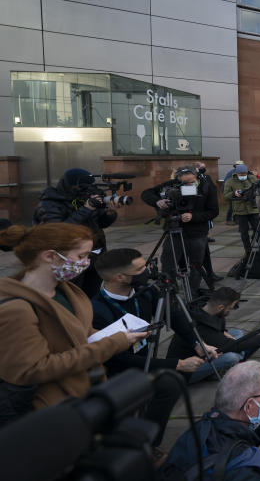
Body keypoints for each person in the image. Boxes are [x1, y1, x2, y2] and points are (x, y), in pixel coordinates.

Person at [0, 224, 147, 415]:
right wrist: (115, 342)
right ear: (50, 256)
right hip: (53, 410)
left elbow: (76, 334)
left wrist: (113, 335)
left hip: (83, 393)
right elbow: (33, 369)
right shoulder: (16, 308)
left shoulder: (66, 291)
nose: (86, 262)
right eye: (81, 256)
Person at [90, 248, 208, 443]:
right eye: (140, 269)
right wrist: (176, 364)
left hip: (146, 357)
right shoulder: (98, 310)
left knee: (177, 376)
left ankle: (149, 436)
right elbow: (116, 359)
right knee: (170, 383)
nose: (147, 272)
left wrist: (197, 343)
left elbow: (176, 317)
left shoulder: (145, 291)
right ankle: (146, 442)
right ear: (120, 277)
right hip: (118, 370)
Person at [34, 168, 120, 297]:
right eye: (84, 187)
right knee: (71, 296)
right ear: (72, 185)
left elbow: (101, 223)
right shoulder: (49, 203)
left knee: (93, 294)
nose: (87, 190)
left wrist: (110, 212)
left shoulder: (84, 197)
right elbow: (59, 231)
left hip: (94, 256)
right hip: (68, 259)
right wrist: (86, 209)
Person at [167, 286, 260, 383]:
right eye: (229, 308)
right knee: (232, 357)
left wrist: (227, 336)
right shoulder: (202, 327)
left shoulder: (205, 308)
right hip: (187, 371)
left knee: (237, 333)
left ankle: (235, 355)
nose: (230, 311)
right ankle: (212, 372)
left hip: (206, 350)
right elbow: (235, 345)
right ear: (220, 307)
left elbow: (221, 330)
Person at [141, 165, 220, 295]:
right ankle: (170, 292)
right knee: (168, 263)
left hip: (197, 232)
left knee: (196, 265)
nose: (188, 184)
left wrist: (193, 216)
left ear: (197, 176)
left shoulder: (207, 187)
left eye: (191, 181)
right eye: (184, 182)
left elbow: (213, 211)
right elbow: (146, 193)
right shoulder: (173, 185)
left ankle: (193, 293)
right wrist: (158, 201)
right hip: (174, 229)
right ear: (178, 179)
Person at [223, 164, 258, 256]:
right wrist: (234, 193)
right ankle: (248, 251)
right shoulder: (230, 181)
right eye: (240, 174)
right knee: (244, 232)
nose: (242, 176)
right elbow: (225, 196)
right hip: (239, 210)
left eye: (244, 174)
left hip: (253, 209)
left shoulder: (252, 178)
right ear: (236, 173)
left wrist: (253, 193)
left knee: (258, 230)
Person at [222, 160, 245, 225]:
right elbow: (226, 184)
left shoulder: (238, 172)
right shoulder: (232, 173)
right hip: (231, 192)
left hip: (235, 192)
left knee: (236, 206)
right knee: (232, 206)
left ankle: (235, 219)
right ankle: (228, 219)